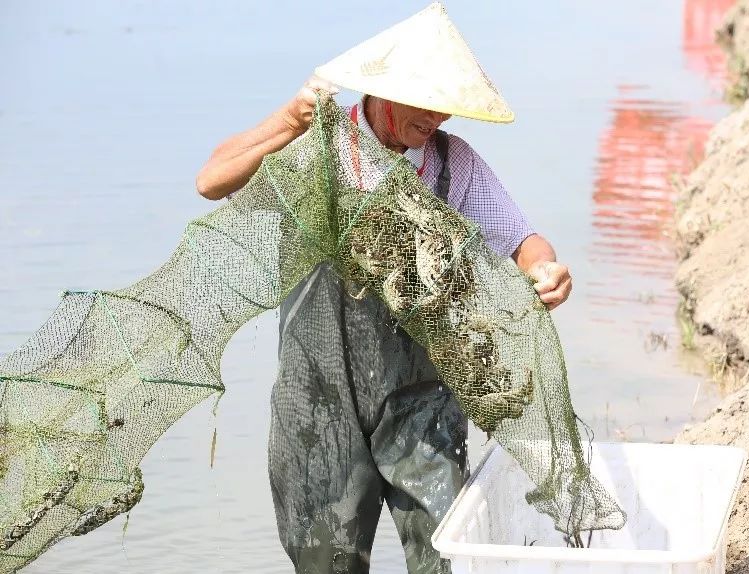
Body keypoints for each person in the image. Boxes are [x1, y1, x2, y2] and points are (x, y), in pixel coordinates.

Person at [196, 4, 572, 573]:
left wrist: (546, 270)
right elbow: (211, 180)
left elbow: (523, 241)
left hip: (421, 400)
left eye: (447, 106)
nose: (438, 120)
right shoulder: (314, 146)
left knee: (446, 552)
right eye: (427, 103)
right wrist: (287, 122)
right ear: (384, 93)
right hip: (317, 401)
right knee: (326, 560)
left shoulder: (454, 166)